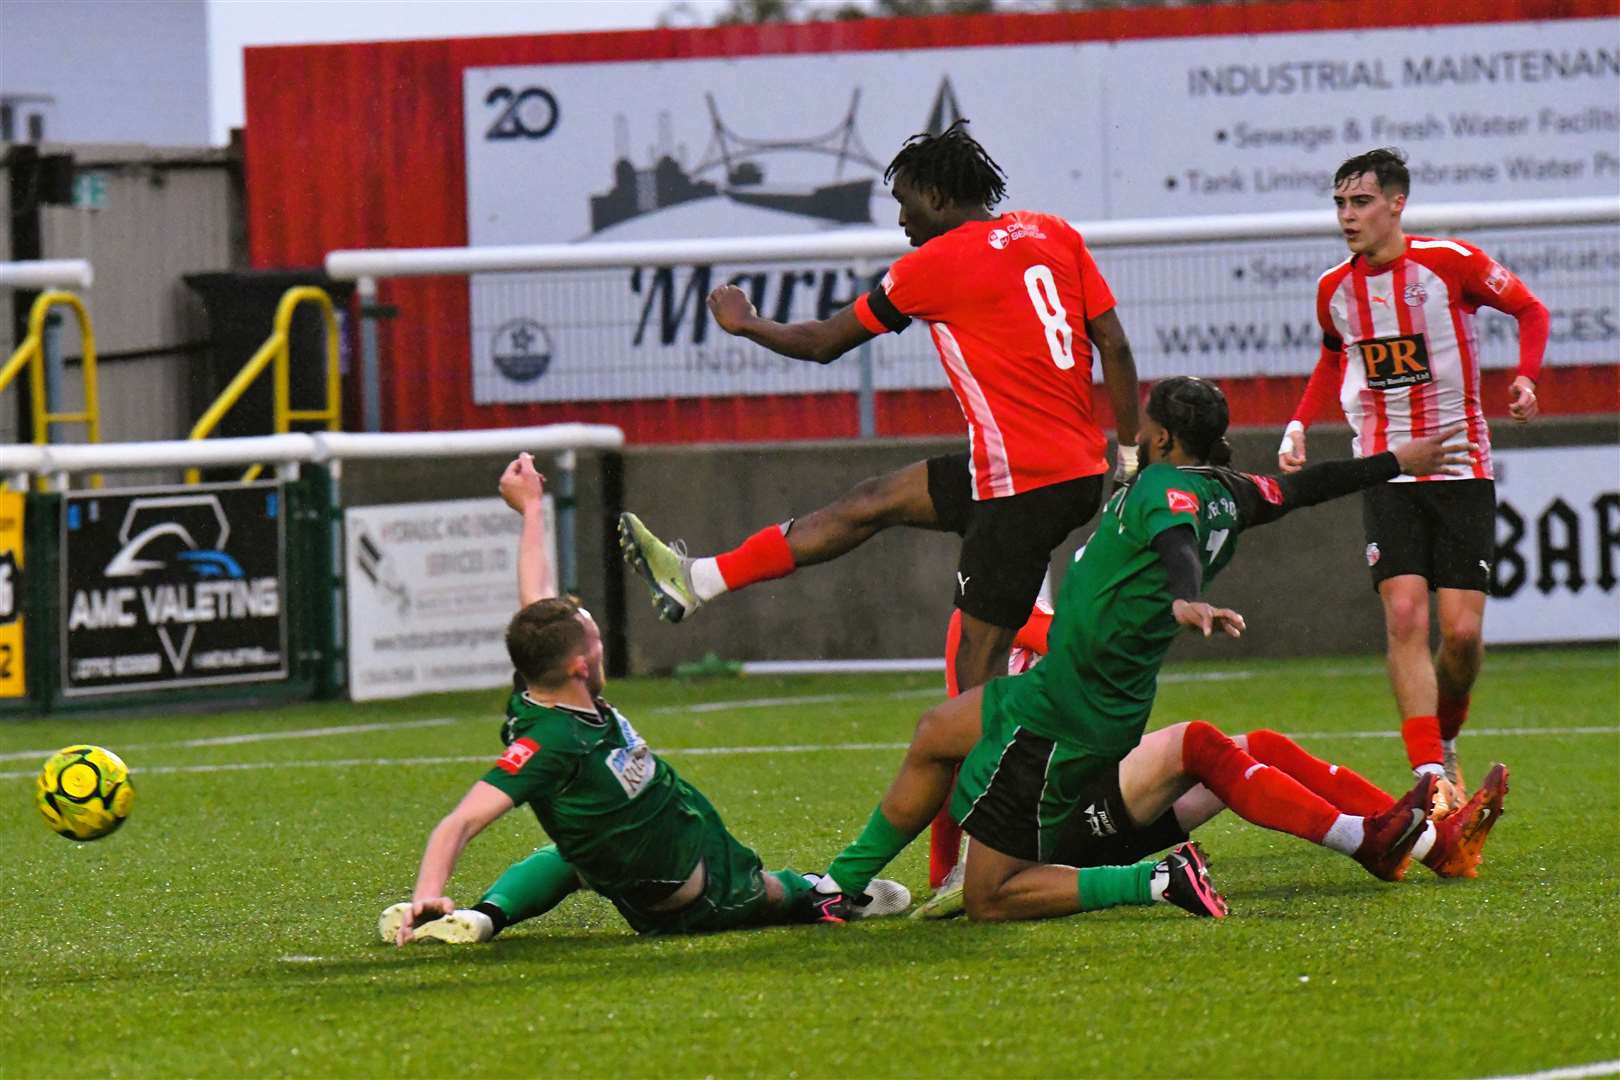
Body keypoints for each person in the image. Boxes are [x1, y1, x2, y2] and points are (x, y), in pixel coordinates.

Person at [809, 377, 1505, 923]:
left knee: (992, 898)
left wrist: (1184, 595)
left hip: (1067, 714)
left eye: (1145, 423)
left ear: (1165, 436)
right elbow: (1299, 488)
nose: (1133, 431)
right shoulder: (1226, 490)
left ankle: (1162, 877)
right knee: (937, 731)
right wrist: (1392, 461)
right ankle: (838, 886)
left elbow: (1175, 540)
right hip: (1080, 695)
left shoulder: (1164, 489)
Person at [619, 119, 1141, 696]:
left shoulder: (932, 265)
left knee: (977, 663)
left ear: (937, 197)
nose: (900, 220)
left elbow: (822, 343)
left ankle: (1002, 773)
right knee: (871, 501)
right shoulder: (1053, 233)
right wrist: (1131, 450)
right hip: (1063, 467)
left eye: (905, 203)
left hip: (1022, 483)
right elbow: (1114, 344)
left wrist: (747, 324)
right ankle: (698, 581)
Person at [379, 454, 910, 946]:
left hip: (643, 861)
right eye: (596, 639)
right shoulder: (553, 742)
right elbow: (461, 821)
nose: (601, 644)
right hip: (701, 891)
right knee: (776, 892)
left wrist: (534, 508)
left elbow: (537, 598)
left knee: (569, 857)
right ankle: (820, 894)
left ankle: (484, 916)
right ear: (580, 666)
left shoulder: (540, 687)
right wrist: (428, 887)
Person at [1277, 147, 1549, 790]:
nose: (1348, 216)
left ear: (1397, 203)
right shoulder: (1333, 290)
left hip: (1459, 467)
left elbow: (1531, 311)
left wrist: (1527, 380)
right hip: (1385, 470)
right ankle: (1430, 771)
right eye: (1340, 203)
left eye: (1361, 202)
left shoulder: (1451, 264)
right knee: (1404, 615)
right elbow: (1332, 357)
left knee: (1460, 636)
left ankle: (1447, 732)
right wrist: (1297, 422)